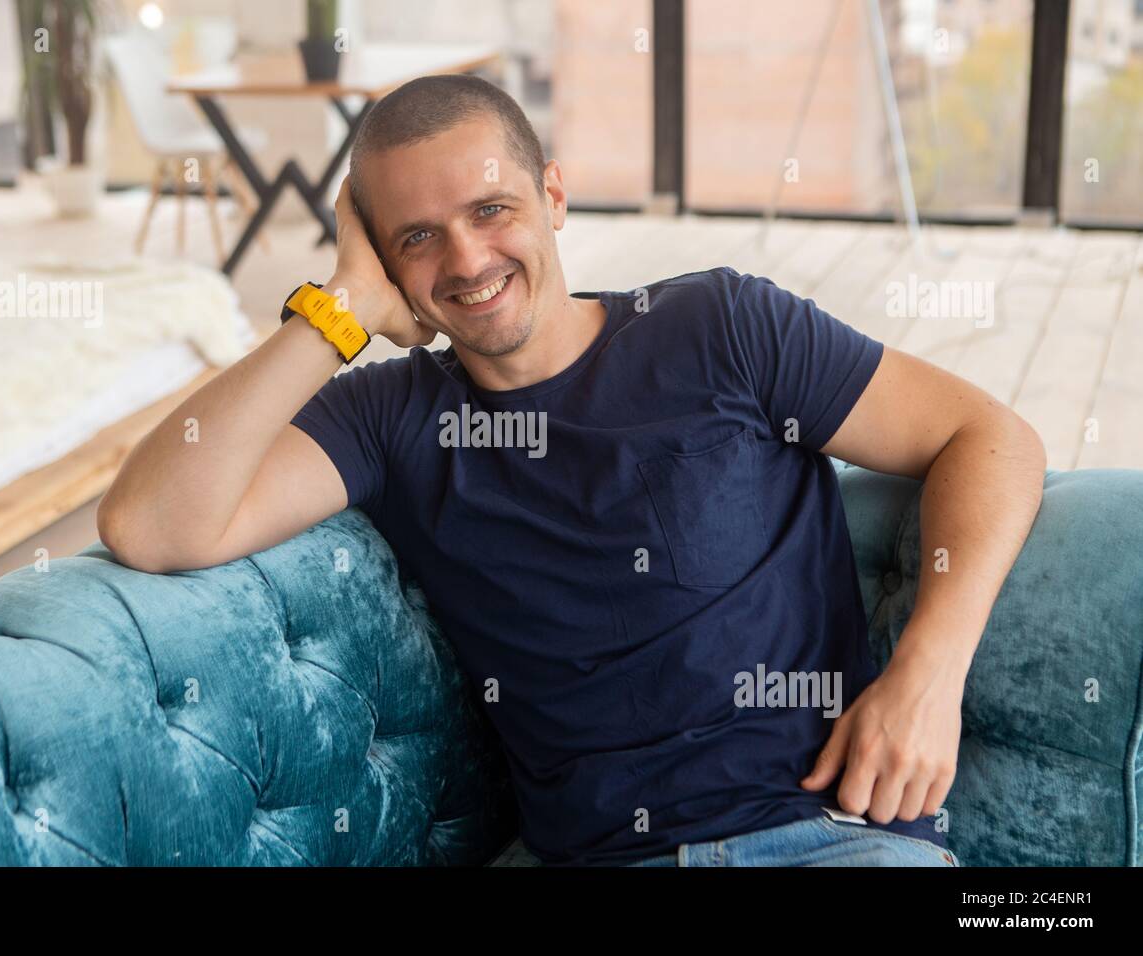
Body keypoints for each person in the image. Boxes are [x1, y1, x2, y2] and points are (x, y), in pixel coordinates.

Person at [97, 74, 1046, 867]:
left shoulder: (721, 328)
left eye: (491, 209)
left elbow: (991, 437)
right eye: (417, 237)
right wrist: (337, 307)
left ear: (553, 195)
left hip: (831, 840)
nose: (467, 260)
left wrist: (928, 670)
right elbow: (153, 523)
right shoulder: (390, 418)